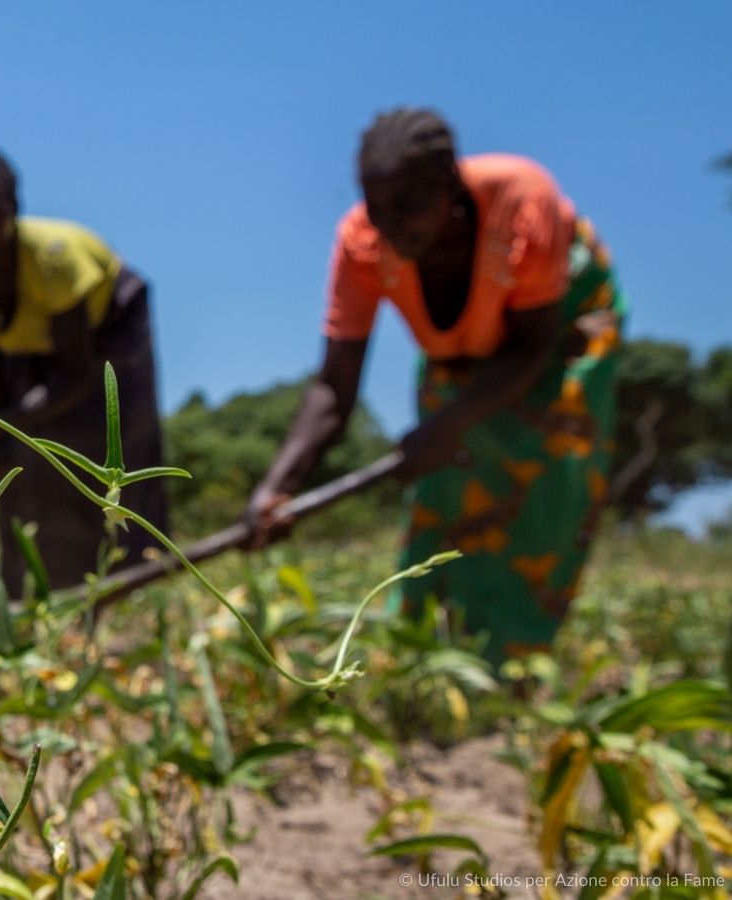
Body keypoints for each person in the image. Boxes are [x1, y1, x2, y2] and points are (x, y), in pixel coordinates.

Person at [247, 108, 625, 664]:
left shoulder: (523, 199)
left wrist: (448, 425)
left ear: (450, 185)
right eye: (378, 210)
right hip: (463, 354)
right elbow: (334, 385)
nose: (392, 227)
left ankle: (513, 662)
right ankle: (429, 652)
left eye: (408, 209)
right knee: (446, 479)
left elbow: (532, 346)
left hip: (557, 337)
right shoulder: (361, 242)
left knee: (545, 475)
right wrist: (278, 485)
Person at [0, 150, 169, 595]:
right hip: (30, 343)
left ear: (14, 207)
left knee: (99, 446)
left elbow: (75, 379)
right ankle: (26, 585)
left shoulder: (54, 260)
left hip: (106, 331)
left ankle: (122, 585)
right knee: (22, 458)